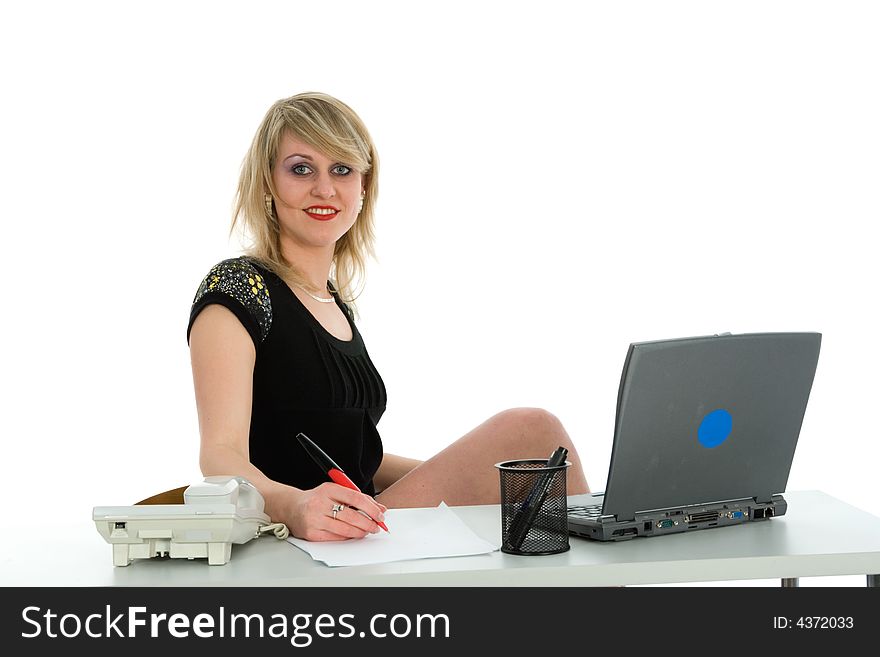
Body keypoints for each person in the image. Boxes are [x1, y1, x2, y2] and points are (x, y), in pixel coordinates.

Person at [187, 91, 589, 542]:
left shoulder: (333, 302)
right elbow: (220, 458)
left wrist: (475, 475)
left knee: (534, 465)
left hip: (360, 518)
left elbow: (355, 459)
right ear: (267, 183)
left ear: (363, 186)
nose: (324, 188)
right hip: (300, 535)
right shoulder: (239, 289)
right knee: (530, 430)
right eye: (301, 169)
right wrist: (295, 504)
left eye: (342, 169)